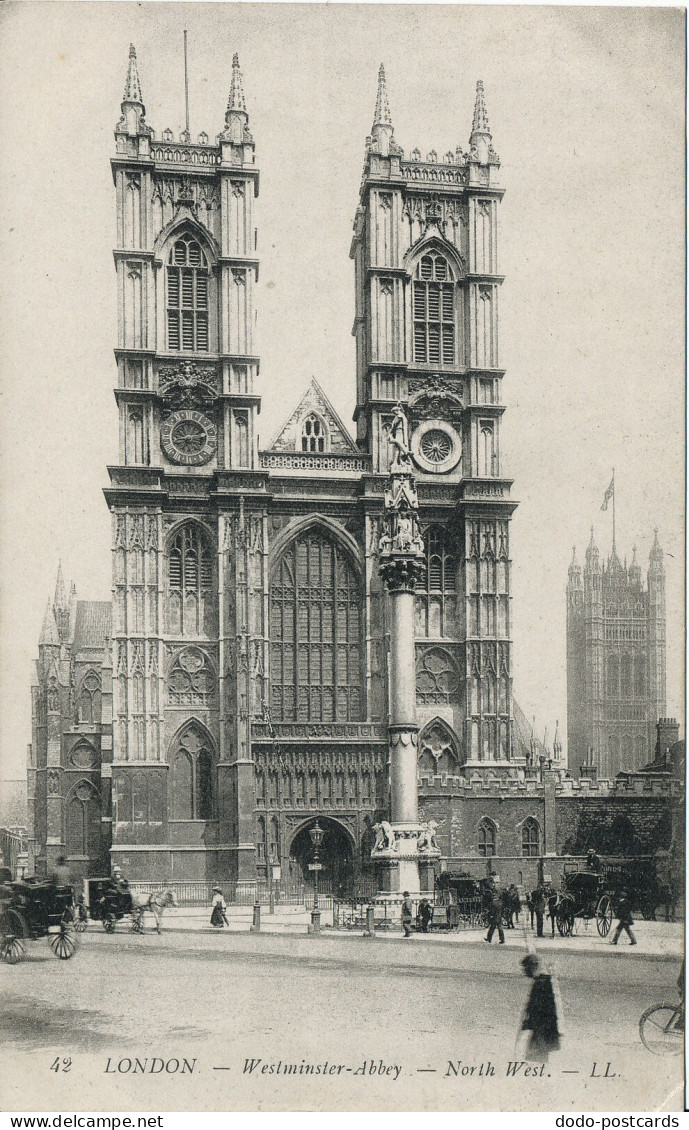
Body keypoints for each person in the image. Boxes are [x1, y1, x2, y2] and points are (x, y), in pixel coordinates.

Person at [518, 954, 564, 1061]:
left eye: (525, 968)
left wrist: (527, 1023)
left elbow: (538, 1008)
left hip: (542, 1030)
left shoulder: (540, 983)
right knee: (538, 1057)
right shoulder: (543, 981)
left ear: (532, 967)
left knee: (536, 1058)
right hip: (543, 1029)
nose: (524, 971)